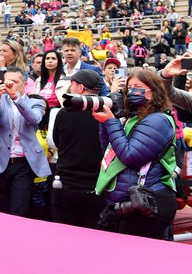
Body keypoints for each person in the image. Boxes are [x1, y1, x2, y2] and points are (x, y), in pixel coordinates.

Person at [93, 69, 177, 239]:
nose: (132, 91)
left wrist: (110, 122)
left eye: (138, 87)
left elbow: (131, 156)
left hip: (146, 201)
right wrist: (106, 123)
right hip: (126, 201)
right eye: (129, 87)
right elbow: (110, 151)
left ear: (153, 91)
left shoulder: (158, 120)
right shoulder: (131, 118)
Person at [0, 67, 51, 217]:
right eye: (7, 81)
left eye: (14, 82)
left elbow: (34, 119)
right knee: (2, 208)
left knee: (18, 209)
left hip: (24, 162)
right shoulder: (0, 100)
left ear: (25, 84)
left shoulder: (35, 101)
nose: (10, 85)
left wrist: (16, 98)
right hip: (2, 161)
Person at [50, 70, 106, 228]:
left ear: (80, 88)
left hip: (66, 184)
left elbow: (56, 142)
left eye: (72, 85)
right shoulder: (107, 113)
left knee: (65, 237)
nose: (70, 89)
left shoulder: (63, 113)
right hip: (96, 185)